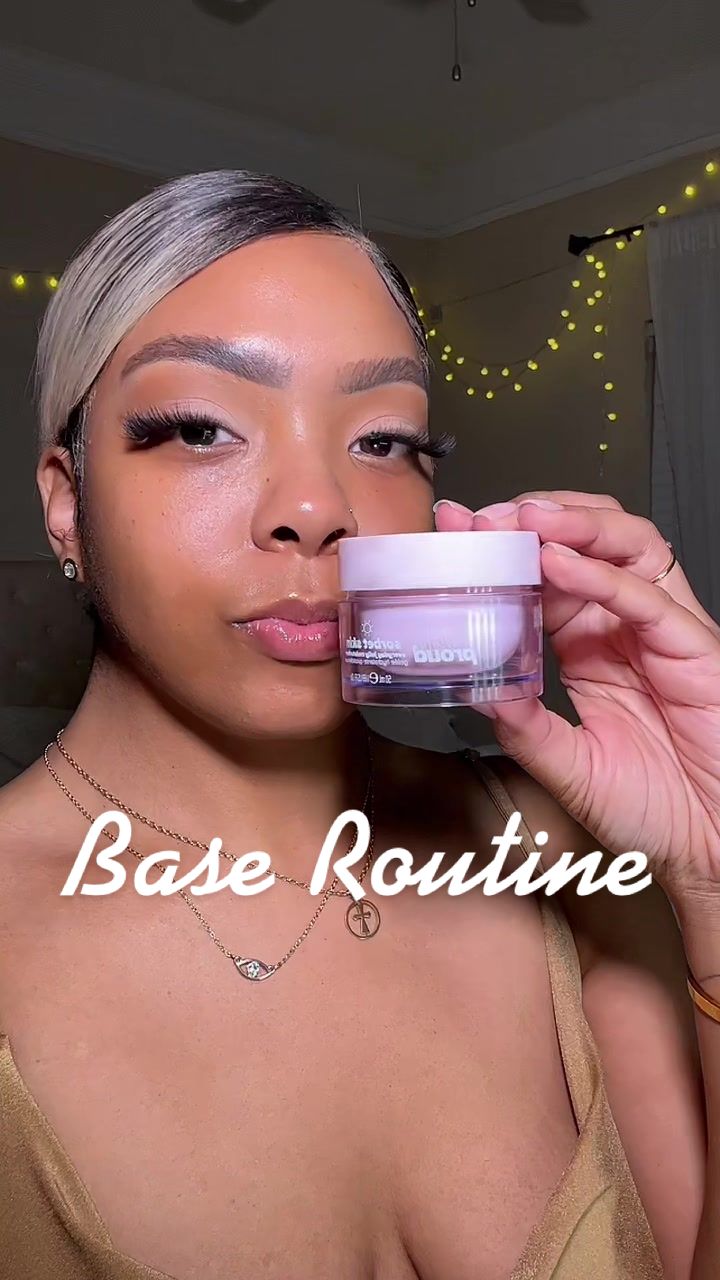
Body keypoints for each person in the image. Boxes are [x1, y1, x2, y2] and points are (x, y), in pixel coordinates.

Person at [0, 169, 718, 1280]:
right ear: (66, 500)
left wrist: (713, 882)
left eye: (383, 440)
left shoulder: (559, 855)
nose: (318, 505)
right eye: (201, 427)